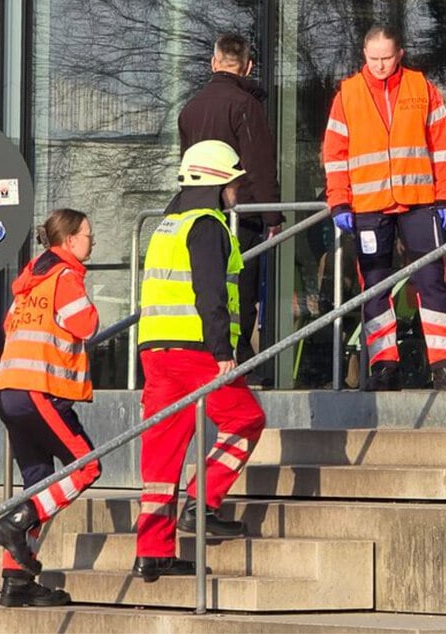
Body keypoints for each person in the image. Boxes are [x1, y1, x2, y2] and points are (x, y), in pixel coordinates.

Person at [133, 140, 266, 582]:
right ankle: (203, 500)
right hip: (197, 351)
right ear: (216, 183)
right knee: (246, 419)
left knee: (161, 455)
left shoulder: (165, 226)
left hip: (156, 350)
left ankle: (152, 552)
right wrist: (224, 352)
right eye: (233, 182)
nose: (236, 191)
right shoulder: (207, 225)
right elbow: (209, 294)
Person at [322, 25, 446, 391]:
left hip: (419, 202)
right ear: (364, 56)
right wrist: (338, 200)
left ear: (399, 54)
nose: (380, 65)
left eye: (386, 58)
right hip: (368, 205)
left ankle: (443, 363)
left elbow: (441, 147)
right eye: (373, 59)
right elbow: (334, 155)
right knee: (375, 286)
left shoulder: (423, 88)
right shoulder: (347, 94)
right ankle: (384, 365)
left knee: (431, 281)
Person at [0, 208, 101, 607]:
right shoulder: (65, 277)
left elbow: (8, 326)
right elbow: (86, 325)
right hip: (39, 391)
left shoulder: (28, 282)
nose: (92, 241)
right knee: (88, 466)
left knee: (38, 482)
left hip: (9, 391)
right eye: (88, 235)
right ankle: (17, 521)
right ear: (69, 241)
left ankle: (16, 580)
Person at [179, 33, 282, 386]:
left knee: (207, 283)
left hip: (198, 210)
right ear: (248, 67)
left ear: (213, 63)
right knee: (242, 287)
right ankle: (235, 358)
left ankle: (215, 353)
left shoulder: (190, 108)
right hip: (243, 214)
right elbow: (260, 163)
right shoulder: (245, 105)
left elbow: (186, 164)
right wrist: (272, 216)